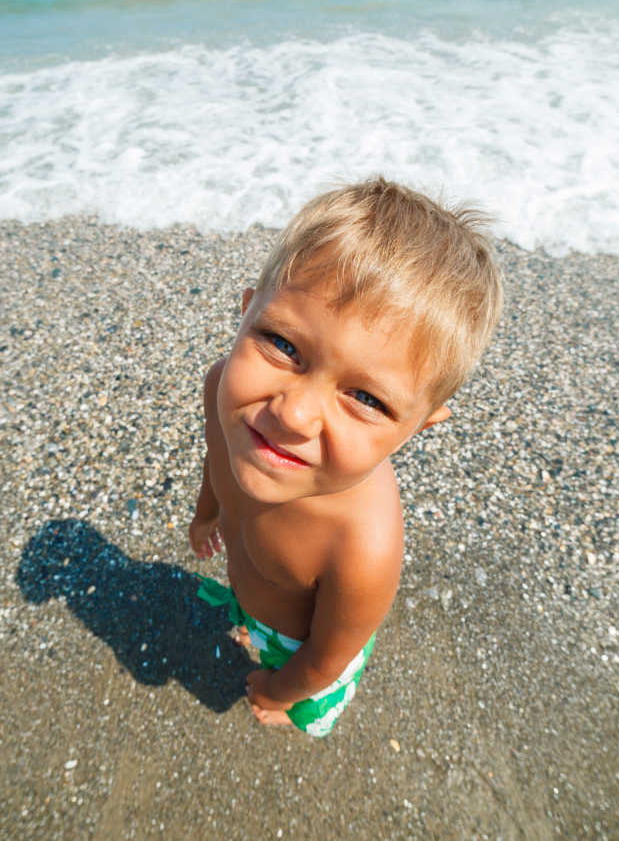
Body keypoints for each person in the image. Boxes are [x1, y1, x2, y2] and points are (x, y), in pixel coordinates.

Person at [189, 177, 502, 736]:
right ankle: (247, 627)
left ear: (417, 428)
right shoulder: (223, 395)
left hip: (298, 648)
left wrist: (281, 690)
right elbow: (215, 461)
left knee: (300, 694)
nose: (295, 416)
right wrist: (206, 513)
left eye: (365, 398)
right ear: (244, 315)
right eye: (283, 345)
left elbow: (327, 659)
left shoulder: (362, 549)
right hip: (250, 591)